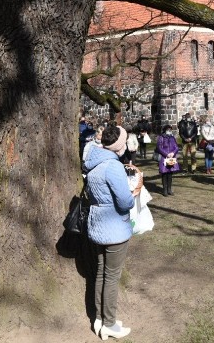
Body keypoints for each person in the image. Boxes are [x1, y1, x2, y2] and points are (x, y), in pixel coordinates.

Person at [84, 123, 137, 340]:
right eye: (124, 142)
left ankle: (99, 318)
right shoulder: (113, 166)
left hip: (97, 225)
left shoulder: (94, 163)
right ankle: (109, 323)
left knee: (100, 273)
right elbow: (124, 201)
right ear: (119, 145)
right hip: (113, 227)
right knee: (112, 276)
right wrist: (133, 194)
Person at [156, 124, 180, 195]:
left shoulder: (172, 138)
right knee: (164, 173)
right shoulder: (161, 137)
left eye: (170, 129)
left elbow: (176, 147)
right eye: (168, 129)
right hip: (164, 158)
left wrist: (173, 153)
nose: (169, 131)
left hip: (171, 157)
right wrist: (166, 154)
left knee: (170, 173)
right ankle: (165, 190)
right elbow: (159, 148)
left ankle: (169, 189)